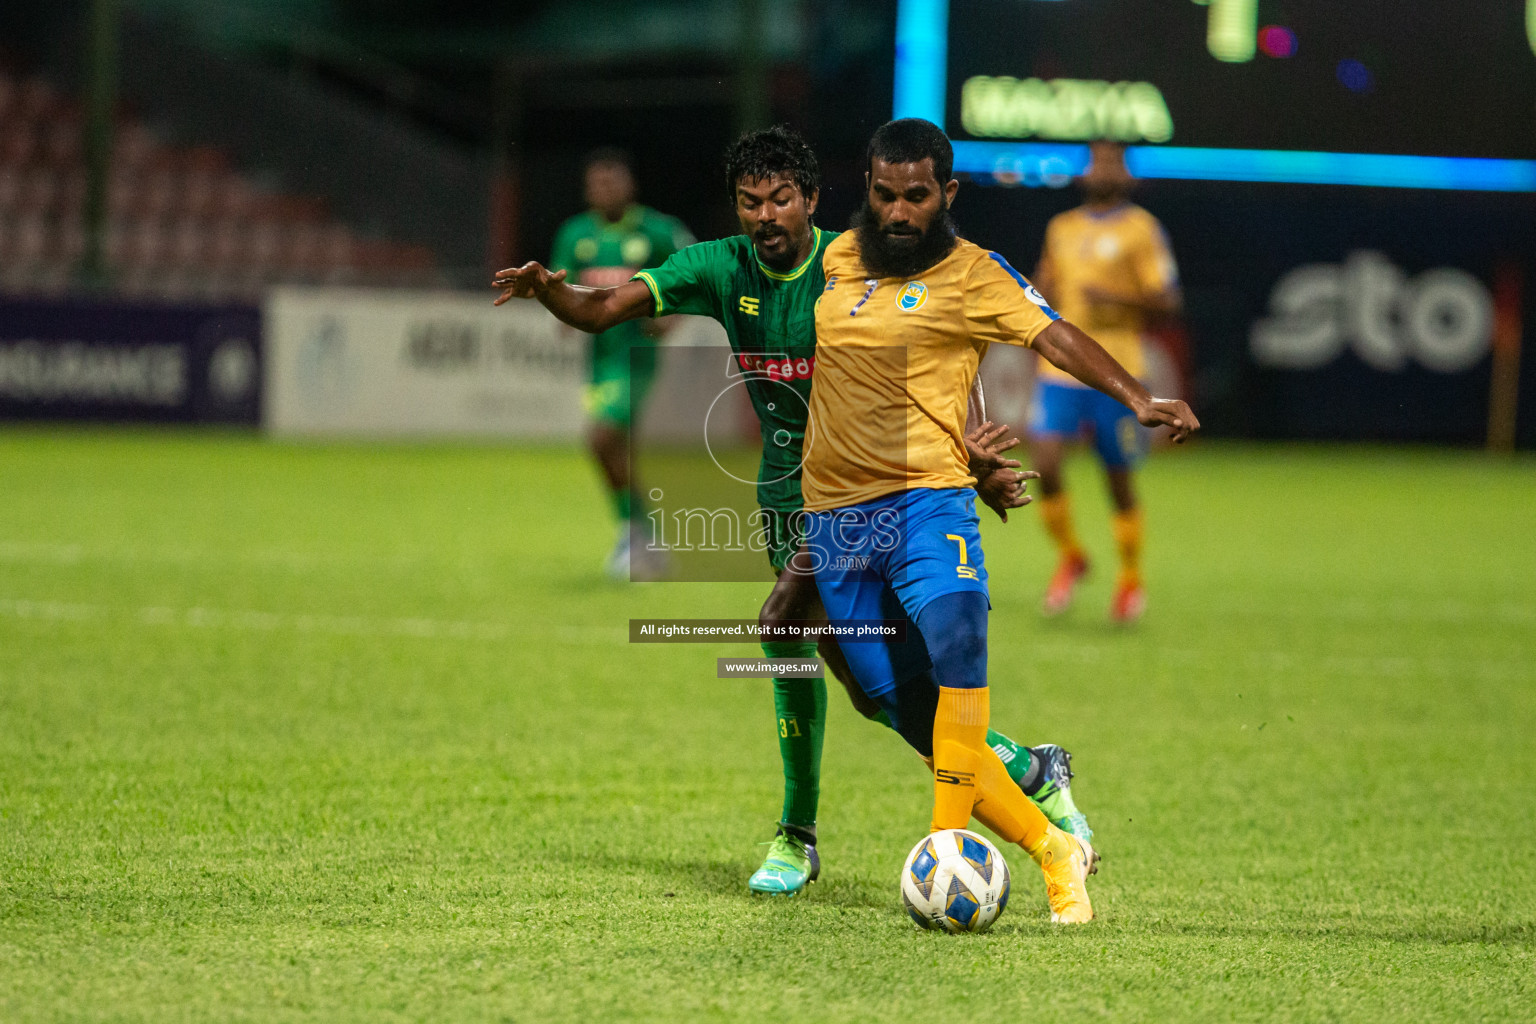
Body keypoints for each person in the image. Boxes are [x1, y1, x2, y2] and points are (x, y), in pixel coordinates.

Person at [494, 126, 1096, 897]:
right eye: (751, 201)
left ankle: (799, 834)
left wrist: (966, 455)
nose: (766, 214)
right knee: (873, 689)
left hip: (869, 493)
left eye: (782, 198)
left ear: (812, 201)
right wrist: (554, 294)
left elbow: (940, 337)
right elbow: (609, 304)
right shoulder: (719, 267)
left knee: (791, 634)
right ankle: (1029, 775)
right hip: (786, 493)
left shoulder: (852, 265)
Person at [801, 119, 1198, 923]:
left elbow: (1052, 333)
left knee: (957, 633)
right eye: (885, 195)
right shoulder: (838, 259)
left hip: (926, 499)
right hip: (837, 514)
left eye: (918, 195)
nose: (900, 211)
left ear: (947, 193)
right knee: (890, 703)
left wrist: (1137, 394)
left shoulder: (976, 272)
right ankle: (1049, 839)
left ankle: (947, 846)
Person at [1029, 140, 1183, 622]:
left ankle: (1131, 577)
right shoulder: (1062, 227)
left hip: (1118, 372)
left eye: (1113, 162)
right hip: (1062, 368)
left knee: (1117, 478)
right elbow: (1041, 285)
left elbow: (1168, 301)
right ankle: (1071, 555)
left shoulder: (1142, 230)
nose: (1102, 170)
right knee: (1045, 462)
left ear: (1127, 176)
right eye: (1096, 161)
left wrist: (1114, 299)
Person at [548, 148, 695, 578]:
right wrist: (560, 312)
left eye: (612, 182)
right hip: (600, 359)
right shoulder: (575, 234)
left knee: (601, 438)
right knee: (616, 446)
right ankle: (642, 536)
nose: (604, 190)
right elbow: (560, 286)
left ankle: (635, 534)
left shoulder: (657, 230)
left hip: (638, 358)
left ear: (629, 186)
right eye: (596, 183)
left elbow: (694, 273)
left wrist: (673, 318)